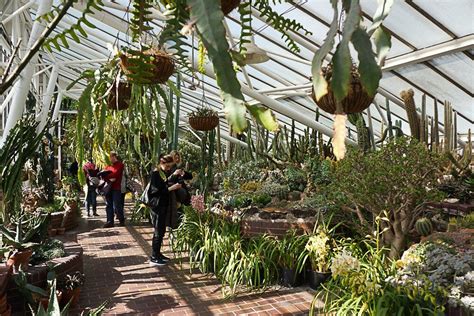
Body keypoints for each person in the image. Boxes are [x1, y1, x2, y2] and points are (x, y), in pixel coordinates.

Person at [148, 154, 182, 265]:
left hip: (163, 205)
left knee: (161, 230)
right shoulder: (156, 174)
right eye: (167, 166)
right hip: (157, 206)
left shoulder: (162, 173)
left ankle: (158, 253)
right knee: (158, 231)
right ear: (162, 163)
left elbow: (165, 183)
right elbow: (156, 191)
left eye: (170, 167)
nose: (169, 169)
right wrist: (171, 188)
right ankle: (154, 255)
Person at [167, 151, 193, 229]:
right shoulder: (167, 167)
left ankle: (179, 223)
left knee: (185, 198)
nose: (177, 159)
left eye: (178, 157)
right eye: (175, 157)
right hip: (172, 190)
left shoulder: (178, 167)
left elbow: (190, 176)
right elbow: (166, 180)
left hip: (180, 190)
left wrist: (184, 173)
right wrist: (174, 174)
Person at [103, 152, 125, 228]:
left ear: (114, 157)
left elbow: (116, 174)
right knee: (108, 205)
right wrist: (109, 177)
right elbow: (103, 176)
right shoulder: (108, 165)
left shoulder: (120, 165)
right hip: (108, 188)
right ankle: (109, 221)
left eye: (110, 157)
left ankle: (121, 219)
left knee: (117, 205)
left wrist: (107, 176)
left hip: (116, 188)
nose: (109, 159)